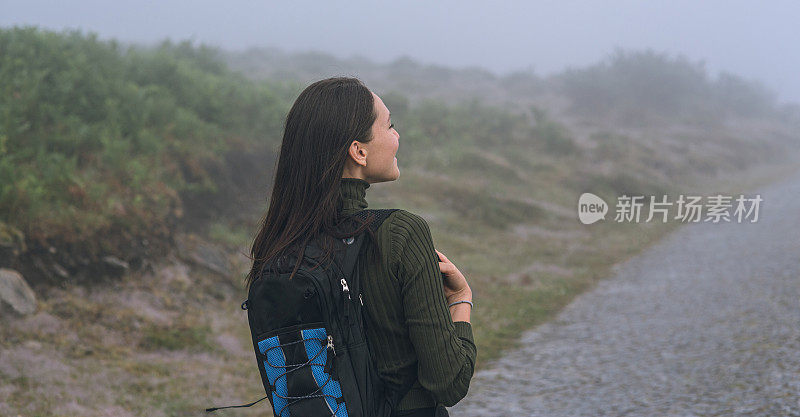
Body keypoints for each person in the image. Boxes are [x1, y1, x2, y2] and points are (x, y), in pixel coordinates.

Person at [246, 77, 476, 417]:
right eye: (390, 126)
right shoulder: (401, 234)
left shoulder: (279, 248)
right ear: (359, 150)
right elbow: (449, 381)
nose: (397, 137)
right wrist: (461, 300)